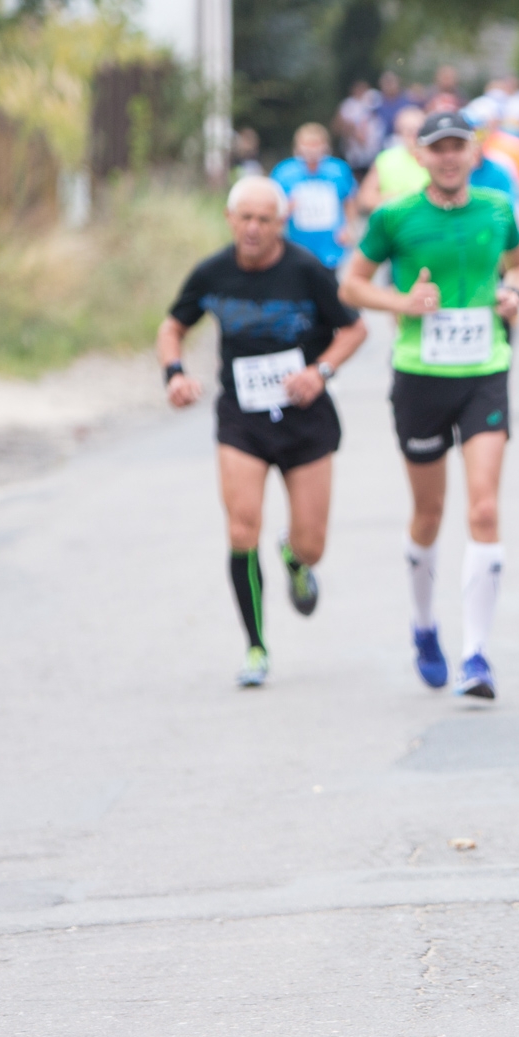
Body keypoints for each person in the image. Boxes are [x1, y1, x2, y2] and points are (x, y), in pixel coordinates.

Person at [338, 111, 519, 701]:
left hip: (484, 372)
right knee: (428, 515)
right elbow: (352, 285)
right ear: (420, 156)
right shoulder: (394, 217)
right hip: (420, 377)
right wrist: (401, 301)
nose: (449, 158)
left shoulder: (498, 210)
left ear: (474, 153)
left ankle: (476, 656)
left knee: (483, 510)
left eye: (458, 148)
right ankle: (425, 626)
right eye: (438, 149)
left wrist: (513, 292)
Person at [156, 176, 368, 687]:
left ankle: (294, 558)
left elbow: (354, 329)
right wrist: (174, 372)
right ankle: (255, 646)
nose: (253, 229)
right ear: (230, 220)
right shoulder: (212, 272)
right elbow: (172, 326)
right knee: (240, 528)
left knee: (313, 544)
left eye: (264, 220)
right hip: (243, 420)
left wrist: (320, 373)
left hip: (305, 418)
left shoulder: (306, 270)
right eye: (245, 218)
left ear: (282, 222)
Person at [269, 124, 358, 271]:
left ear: (326, 147)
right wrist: (285, 211)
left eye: (316, 144)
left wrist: (349, 228)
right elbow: (272, 206)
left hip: (330, 245)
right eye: (307, 145)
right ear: (297, 147)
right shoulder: (284, 173)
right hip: (297, 243)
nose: (311, 150)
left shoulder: (338, 170)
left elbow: (349, 200)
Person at [358, 106, 430, 215]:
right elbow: (365, 199)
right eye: (408, 130)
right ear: (399, 132)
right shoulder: (385, 159)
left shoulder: (436, 158)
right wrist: (397, 199)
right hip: (394, 222)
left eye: (418, 129)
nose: (414, 135)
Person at [336, 79, 383, 179]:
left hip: (373, 151)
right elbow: (338, 127)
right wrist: (353, 130)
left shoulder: (374, 100)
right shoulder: (348, 105)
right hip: (355, 154)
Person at [375, 70, 416, 138]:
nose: (389, 86)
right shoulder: (376, 105)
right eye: (386, 83)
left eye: (391, 82)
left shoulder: (409, 100)